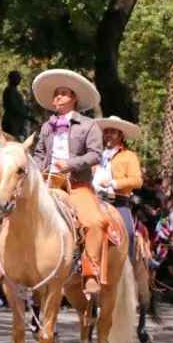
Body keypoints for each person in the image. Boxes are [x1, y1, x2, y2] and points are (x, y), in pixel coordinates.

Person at [31, 69, 107, 295]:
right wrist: (31, 174)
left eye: (63, 93)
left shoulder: (88, 125)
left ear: (74, 98)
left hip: (77, 185)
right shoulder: (46, 127)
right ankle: (4, 264)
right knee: (15, 211)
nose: (58, 98)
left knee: (94, 221)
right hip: (47, 183)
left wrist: (70, 164)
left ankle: (90, 272)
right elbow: (38, 155)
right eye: (56, 94)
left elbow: (96, 154)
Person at [93, 115, 143, 261]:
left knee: (129, 232)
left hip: (118, 202)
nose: (108, 134)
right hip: (94, 199)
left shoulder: (129, 156)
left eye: (112, 131)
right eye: (106, 131)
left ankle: (128, 267)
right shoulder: (96, 155)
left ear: (121, 135)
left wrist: (113, 183)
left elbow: (137, 180)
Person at [1, 71, 35, 140]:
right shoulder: (10, 90)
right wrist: (26, 116)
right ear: (11, 78)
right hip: (11, 121)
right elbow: (13, 107)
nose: (19, 79)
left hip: (16, 121)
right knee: (12, 141)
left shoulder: (15, 91)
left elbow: (18, 106)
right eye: (17, 77)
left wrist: (26, 108)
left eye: (19, 77)